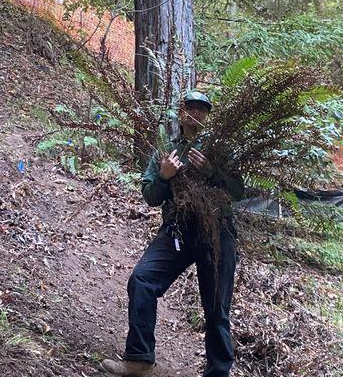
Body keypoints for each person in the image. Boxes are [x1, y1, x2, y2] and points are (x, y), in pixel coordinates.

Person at [102, 91, 244, 377]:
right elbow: (150, 196)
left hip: (217, 233)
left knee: (217, 309)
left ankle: (218, 372)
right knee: (142, 279)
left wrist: (212, 170)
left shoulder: (219, 148)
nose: (196, 114)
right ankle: (140, 358)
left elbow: (238, 191)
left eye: (202, 110)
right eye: (191, 108)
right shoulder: (165, 149)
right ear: (181, 112)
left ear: (208, 116)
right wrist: (165, 177)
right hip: (178, 230)